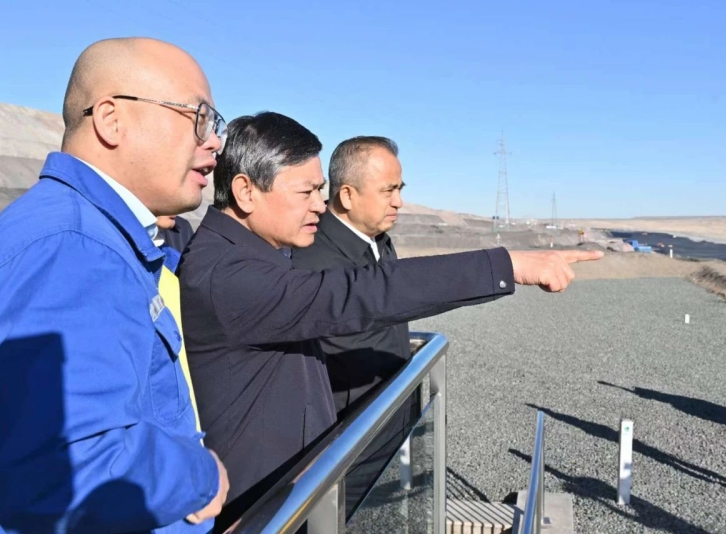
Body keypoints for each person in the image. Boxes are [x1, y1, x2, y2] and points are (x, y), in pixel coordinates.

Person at [178, 111, 602, 522]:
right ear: (246, 191)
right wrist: (506, 265)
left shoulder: (251, 256)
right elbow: (357, 294)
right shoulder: (228, 276)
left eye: (319, 190)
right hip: (266, 510)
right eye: (306, 192)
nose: (320, 206)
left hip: (294, 490)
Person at [0, 38, 229, 533]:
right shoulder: (76, 247)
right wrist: (200, 475)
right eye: (199, 117)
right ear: (111, 120)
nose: (214, 141)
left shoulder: (83, 232)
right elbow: (66, 464)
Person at [291, 136, 415, 514]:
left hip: (393, 423)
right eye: (388, 190)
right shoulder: (312, 259)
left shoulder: (380, 243)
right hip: (347, 444)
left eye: (400, 189)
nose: (399, 201)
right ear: (347, 195)